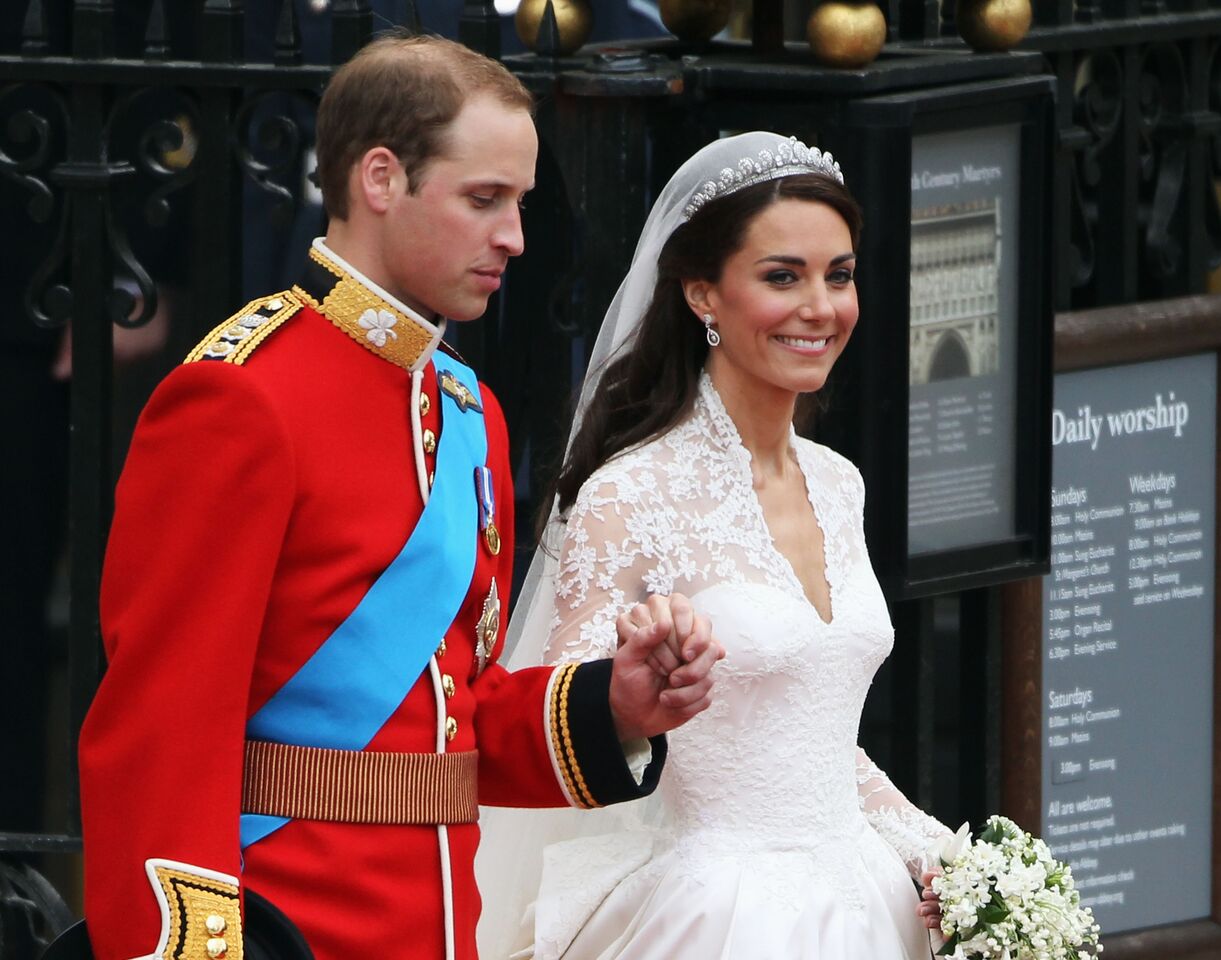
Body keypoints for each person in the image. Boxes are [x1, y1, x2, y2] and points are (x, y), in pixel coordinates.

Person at [75, 34, 723, 960]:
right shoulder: (240, 396)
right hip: (286, 929)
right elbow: (159, 730)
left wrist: (613, 706)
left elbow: (460, 715)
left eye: (520, 203)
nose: (514, 237)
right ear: (381, 178)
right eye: (483, 199)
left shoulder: (468, 412)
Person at [476, 132, 952, 959]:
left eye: (837, 275)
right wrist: (634, 686)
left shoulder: (839, 483)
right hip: (718, 919)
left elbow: (817, 746)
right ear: (703, 295)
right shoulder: (629, 493)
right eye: (782, 276)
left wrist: (950, 859)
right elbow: (556, 725)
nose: (820, 306)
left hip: (866, 904)